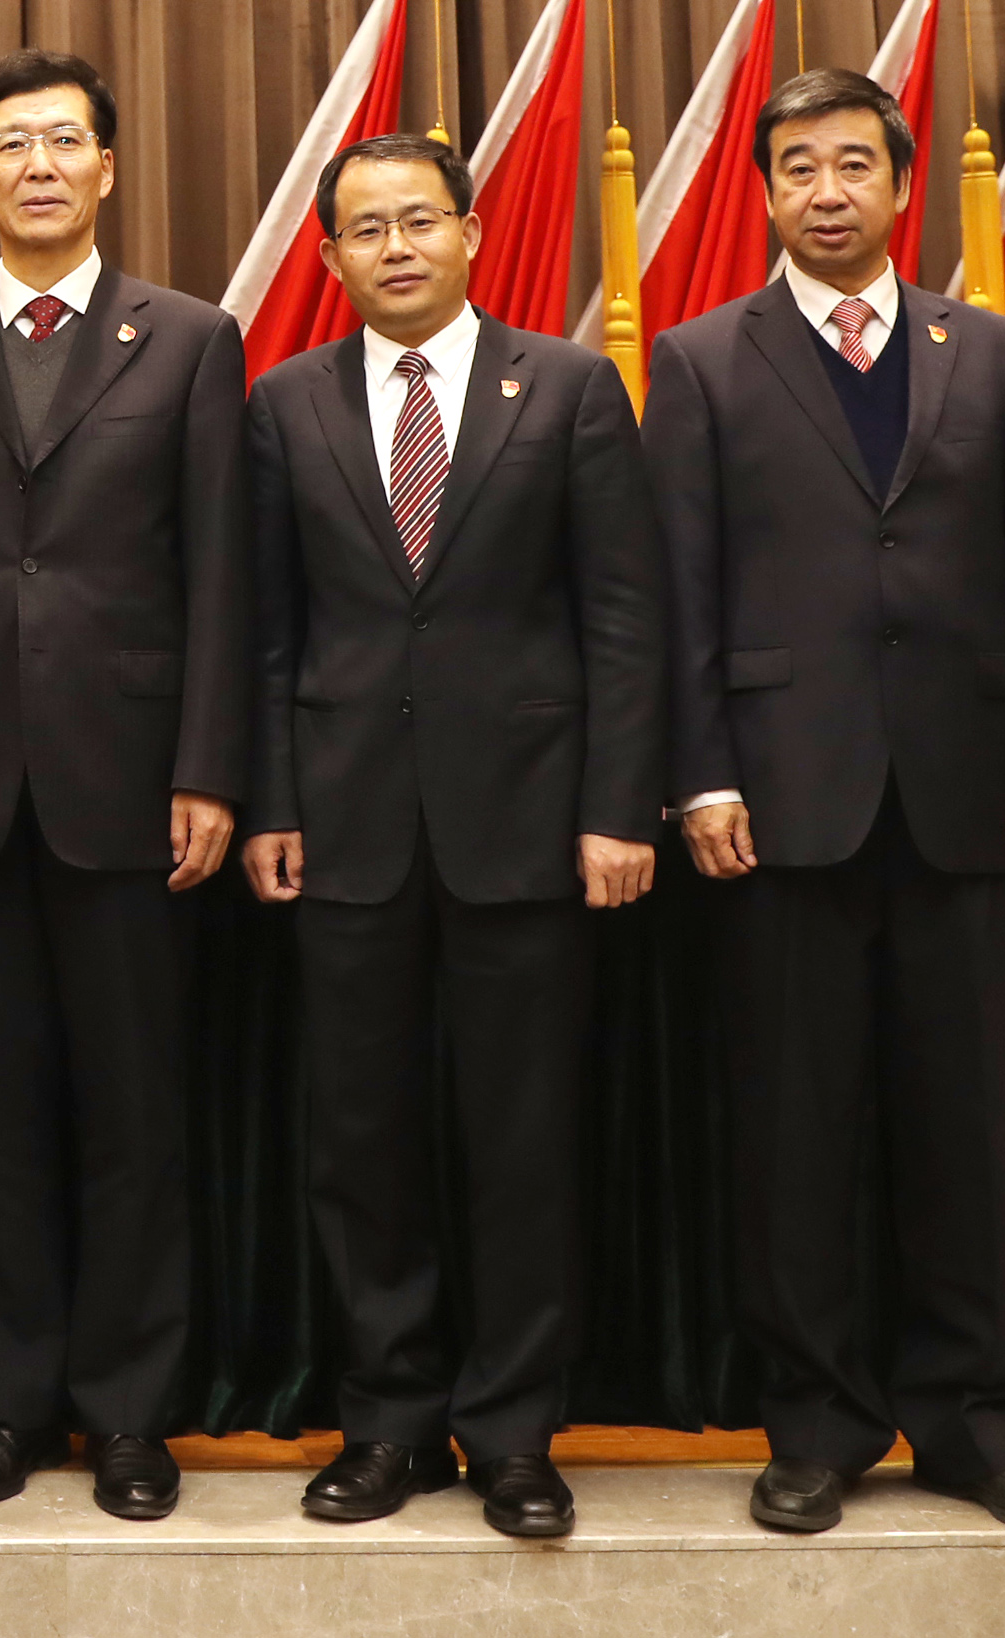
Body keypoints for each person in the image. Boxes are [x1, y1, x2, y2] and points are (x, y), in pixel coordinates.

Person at [646, 65, 1005, 1540]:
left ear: (902, 186)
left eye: (853, 162)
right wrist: (699, 772)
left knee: (973, 1128)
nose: (826, 190)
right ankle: (816, 1424)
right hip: (780, 803)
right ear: (765, 194)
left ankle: (978, 1426)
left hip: (971, 802)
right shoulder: (702, 361)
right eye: (797, 167)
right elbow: (675, 594)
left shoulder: (998, 353)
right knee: (796, 1132)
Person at [241, 132, 664, 1541]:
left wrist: (616, 806)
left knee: (521, 1140)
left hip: (530, 827)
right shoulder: (284, 402)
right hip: (345, 825)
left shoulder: (570, 387)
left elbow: (622, 616)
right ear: (329, 257)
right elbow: (265, 628)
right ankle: (390, 1424)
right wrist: (271, 801)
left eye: (419, 219)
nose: (396, 246)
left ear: (471, 233)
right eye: (366, 229)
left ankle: (516, 1433)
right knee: (361, 1144)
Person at [0, 48, 248, 1520]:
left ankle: (130, 1415)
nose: (37, 164)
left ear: (106, 168)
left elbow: (224, 574)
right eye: (10, 144)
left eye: (63, 140)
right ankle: (6, 1404)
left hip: (134, 792)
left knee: (136, 1118)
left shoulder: (191, 340)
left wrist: (209, 764)